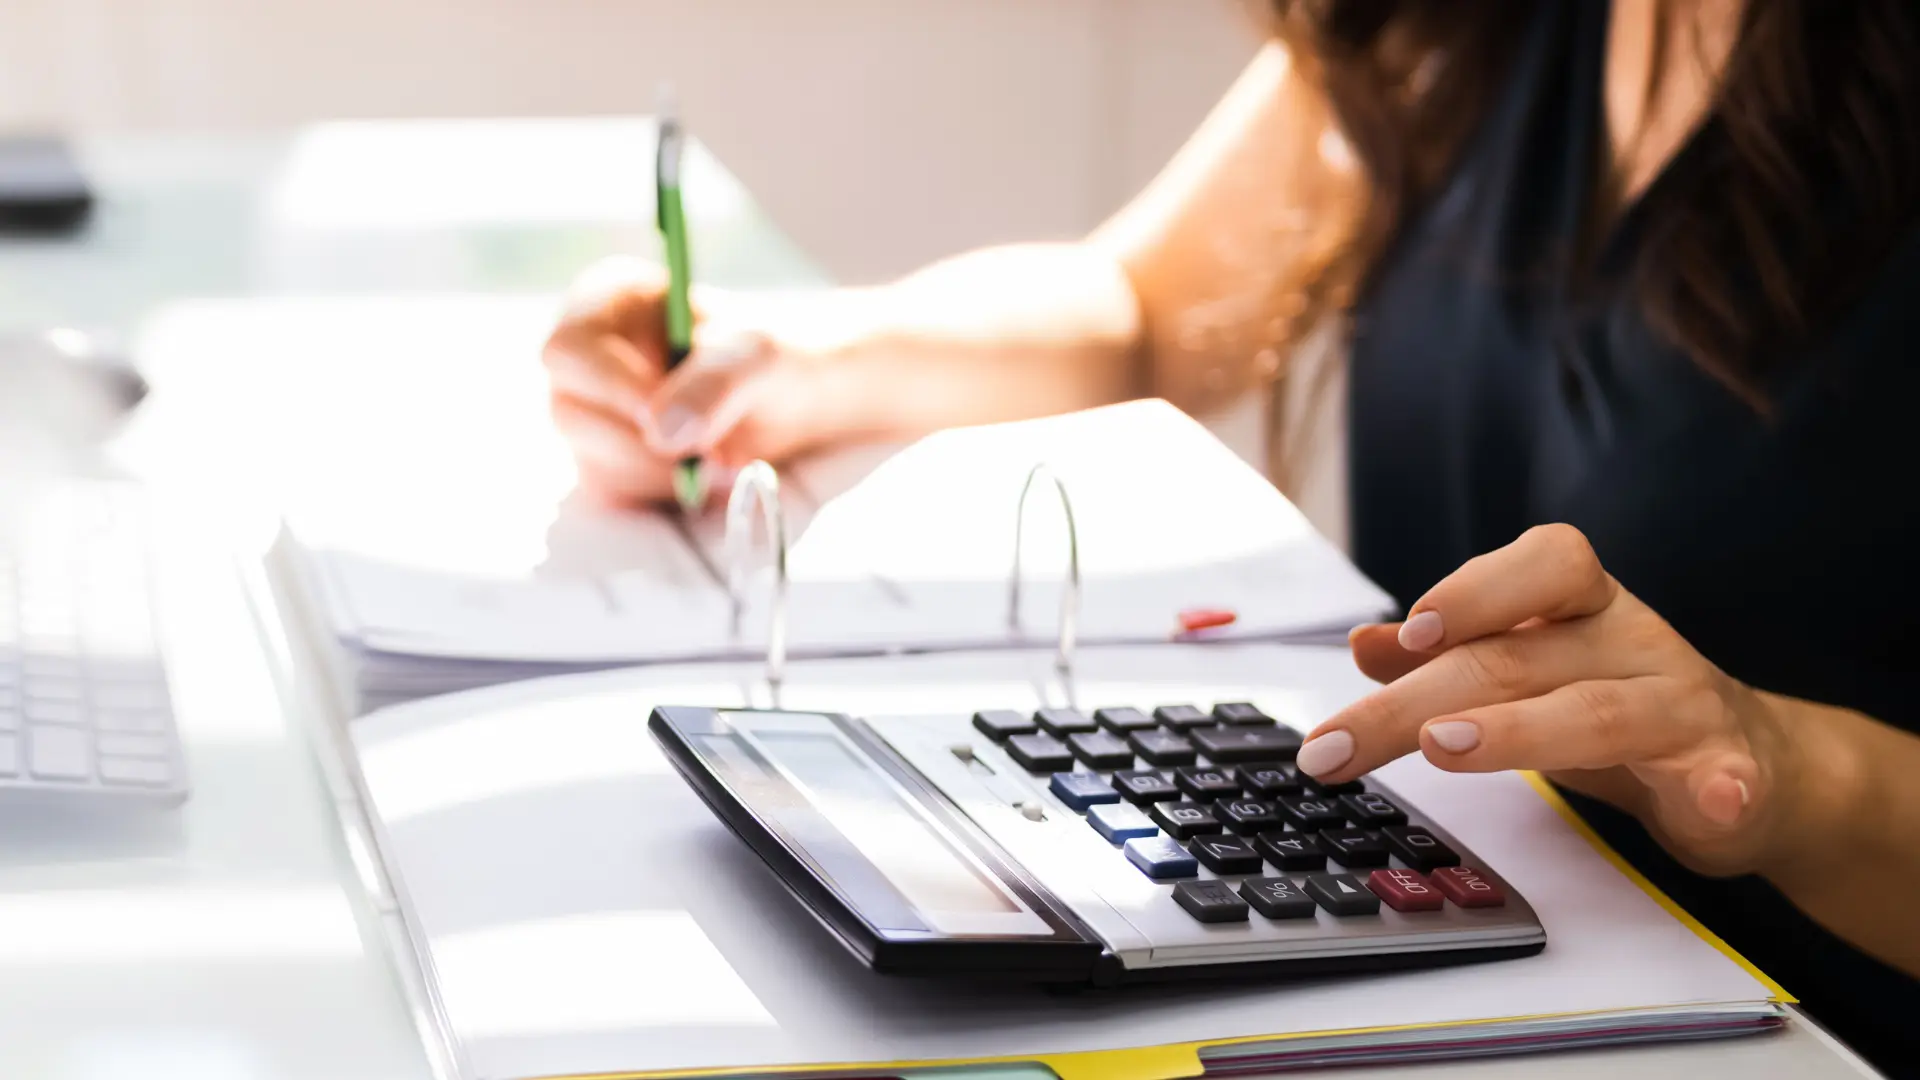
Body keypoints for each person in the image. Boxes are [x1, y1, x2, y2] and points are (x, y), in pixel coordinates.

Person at [542, 1, 1920, 1069]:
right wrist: (794, 359)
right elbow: (1150, 305)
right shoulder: (1456, 28)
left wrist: (1790, 777)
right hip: (1428, 982)